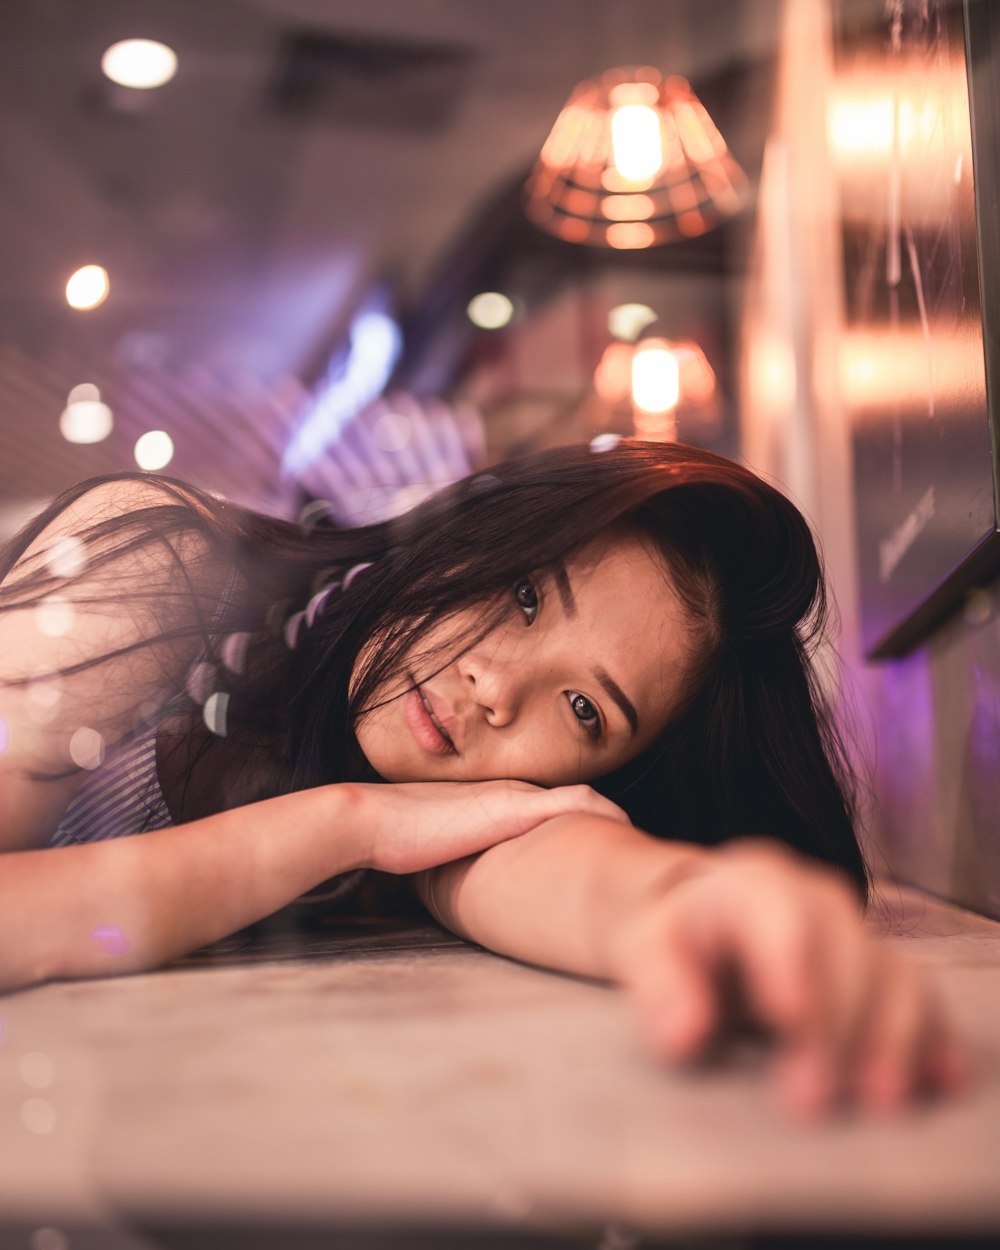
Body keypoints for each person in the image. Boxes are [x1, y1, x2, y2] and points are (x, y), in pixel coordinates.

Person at [0, 438, 966, 1120]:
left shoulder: (445, 805)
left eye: (586, 711)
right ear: (475, 528)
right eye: (525, 592)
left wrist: (689, 900)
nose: (496, 686)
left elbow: (576, 870)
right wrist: (343, 826)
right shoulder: (162, 562)